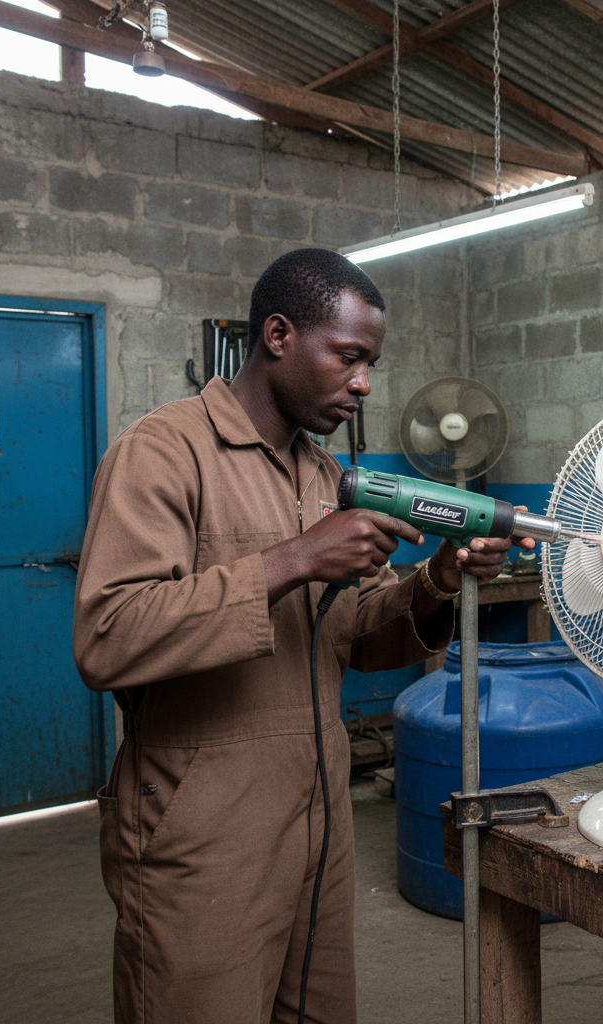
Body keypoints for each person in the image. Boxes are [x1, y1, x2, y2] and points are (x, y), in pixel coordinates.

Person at [72, 247, 532, 1024]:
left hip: (318, 827)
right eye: (349, 357)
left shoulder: (324, 477)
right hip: (202, 833)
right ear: (279, 335)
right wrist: (291, 561)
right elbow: (108, 636)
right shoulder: (163, 452)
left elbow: (356, 635)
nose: (363, 383)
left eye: (372, 364)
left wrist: (442, 580)